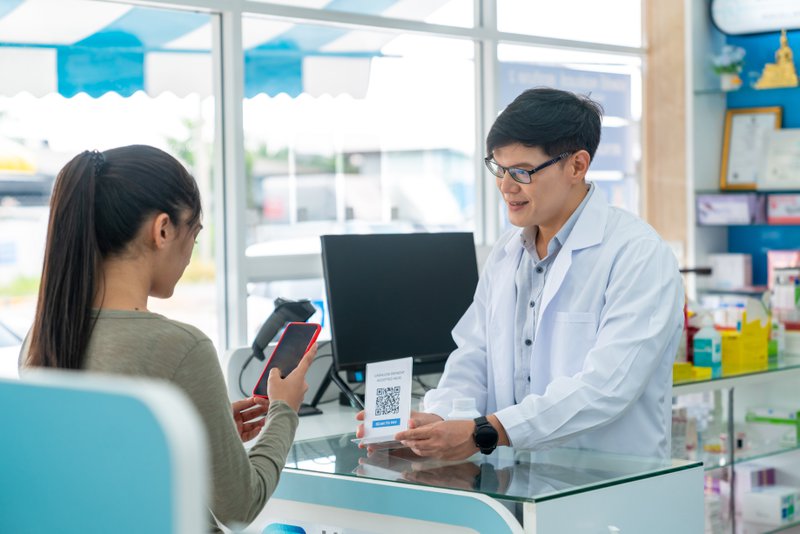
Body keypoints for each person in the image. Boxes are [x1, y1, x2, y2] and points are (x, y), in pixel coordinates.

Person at [358, 87, 683, 461]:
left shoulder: (637, 255)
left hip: (606, 483)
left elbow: (607, 388)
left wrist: (488, 431)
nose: (506, 186)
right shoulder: (508, 252)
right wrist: (438, 419)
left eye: (522, 172)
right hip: (515, 478)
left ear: (577, 166)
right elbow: (475, 353)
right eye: (499, 167)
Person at [21, 145, 313, 532]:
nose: (191, 253)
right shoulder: (181, 348)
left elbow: (109, 465)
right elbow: (239, 508)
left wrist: (185, 429)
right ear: (162, 230)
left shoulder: (42, 340)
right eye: (194, 234)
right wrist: (284, 412)